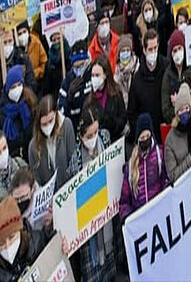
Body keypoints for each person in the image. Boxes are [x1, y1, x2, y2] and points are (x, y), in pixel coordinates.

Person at [71, 106, 120, 281]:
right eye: (89, 136)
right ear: (81, 136)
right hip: (90, 225)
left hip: (107, 215)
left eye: (95, 132)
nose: (94, 138)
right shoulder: (75, 159)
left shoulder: (105, 138)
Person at [119, 113, 169, 219]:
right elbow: (124, 200)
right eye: (142, 137)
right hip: (140, 219)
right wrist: (126, 216)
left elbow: (166, 182)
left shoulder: (159, 155)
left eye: (148, 136)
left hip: (159, 214)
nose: (145, 139)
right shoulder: (131, 166)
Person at [0, 195, 47, 282]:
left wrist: (63, 249)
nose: (8, 246)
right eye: (2, 243)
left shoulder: (39, 242)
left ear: (20, 231)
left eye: (11, 237)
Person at [127, 29, 168, 148]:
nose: (153, 52)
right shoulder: (137, 79)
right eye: (150, 49)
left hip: (166, 130)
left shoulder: (166, 68)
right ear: (144, 50)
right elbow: (132, 113)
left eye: (155, 48)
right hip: (148, 137)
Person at [28, 93, 77, 188]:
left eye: (51, 121)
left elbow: (73, 161)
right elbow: (36, 180)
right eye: (44, 124)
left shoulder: (66, 126)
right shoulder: (33, 147)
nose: (48, 126)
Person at [0, 65, 37, 162]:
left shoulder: (31, 106)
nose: (17, 89)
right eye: (13, 87)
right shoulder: (0, 118)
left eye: (19, 85)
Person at [160, 29, 191, 124]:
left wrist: (179, 101)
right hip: (176, 124)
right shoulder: (167, 75)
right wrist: (179, 112)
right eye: (175, 50)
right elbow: (165, 110)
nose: (178, 52)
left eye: (180, 48)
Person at [83, 55, 128, 145]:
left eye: (97, 75)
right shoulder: (89, 101)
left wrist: (112, 123)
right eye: (92, 75)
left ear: (105, 75)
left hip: (115, 143)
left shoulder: (116, 93)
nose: (94, 78)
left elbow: (123, 118)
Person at [165, 83, 191, 183]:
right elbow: (172, 176)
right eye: (181, 110)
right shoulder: (170, 140)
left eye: (187, 108)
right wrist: (190, 158)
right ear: (177, 113)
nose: (184, 112)